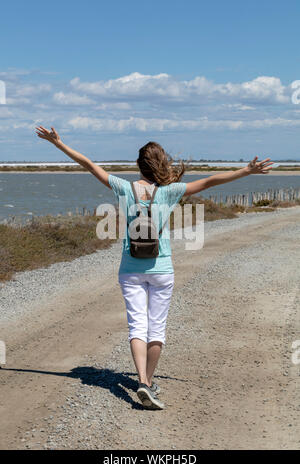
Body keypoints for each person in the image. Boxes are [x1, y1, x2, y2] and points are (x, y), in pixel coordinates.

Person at [35, 125, 274, 410]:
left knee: (137, 326)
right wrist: (246, 171)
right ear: (162, 163)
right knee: (156, 328)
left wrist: (58, 144)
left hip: (130, 268)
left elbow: (88, 164)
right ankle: (146, 382)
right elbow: (210, 181)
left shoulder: (124, 188)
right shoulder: (170, 191)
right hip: (161, 269)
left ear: (139, 165)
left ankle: (143, 381)